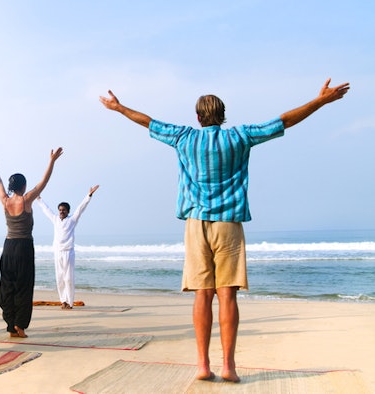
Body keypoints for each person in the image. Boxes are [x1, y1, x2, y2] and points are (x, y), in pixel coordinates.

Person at [99, 78, 349, 383]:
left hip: (195, 223)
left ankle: (203, 365)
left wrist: (119, 107)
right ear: (223, 114)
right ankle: (228, 366)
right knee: (227, 295)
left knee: (203, 294)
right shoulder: (240, 137)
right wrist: (320, 101)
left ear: (198, 118)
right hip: (229, 223)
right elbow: (283, 121)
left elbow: (149, 122)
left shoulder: (184, 137)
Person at [0, 147, 64, 338]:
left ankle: (11, 324)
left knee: (8, 285)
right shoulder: (27, 200)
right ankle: (20, 326)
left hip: (8, 247)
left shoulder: (5, 201)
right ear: (23, 186)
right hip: (23, 247)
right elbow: (44, 182)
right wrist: (52, 160)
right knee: (23, 286)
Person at [36, 184, 99, 310]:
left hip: (68, 252)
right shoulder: (55, 219)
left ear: (68, 211)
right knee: (59, 278)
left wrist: (89, 195)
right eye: (60, 210)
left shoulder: (72, 220)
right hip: (58, 252)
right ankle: (63, 301)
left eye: (64, 210)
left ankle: (69, 303)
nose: (61, 212)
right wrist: (38, 199)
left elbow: (81, 208)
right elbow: (46, 209)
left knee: (68, 279)